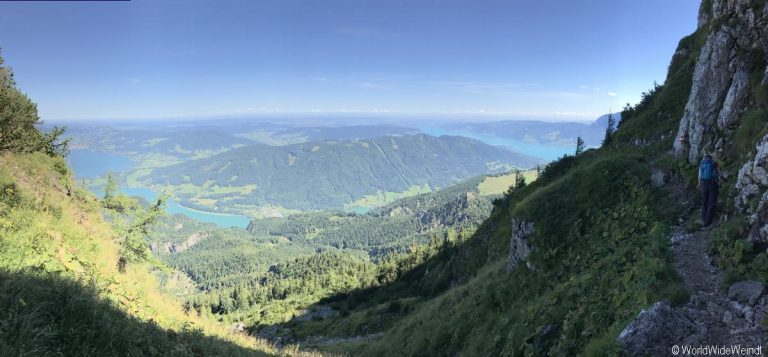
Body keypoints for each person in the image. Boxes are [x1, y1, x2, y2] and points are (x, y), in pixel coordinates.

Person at [697, 154, 720, 226]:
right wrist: (722, 180)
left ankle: (704, 219)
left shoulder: (702, 164)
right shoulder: (714, 163)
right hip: (713, 184)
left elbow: (699, 176)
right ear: (711, 158)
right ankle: (707, 222)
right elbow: (719, 173)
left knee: (704, 202)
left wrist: (699, 184)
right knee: (711, 202)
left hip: (703, 184)